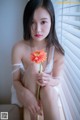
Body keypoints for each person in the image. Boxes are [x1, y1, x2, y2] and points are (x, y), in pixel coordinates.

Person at [11, 0, 65, 120]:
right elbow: (15, 81)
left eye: (43, 22)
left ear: (52, 21)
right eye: (32, 22)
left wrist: (50, 80)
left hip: (46, 92)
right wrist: (26, 94)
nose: (38, 29)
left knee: (48, 91)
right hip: (24, 90)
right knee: (34, 66)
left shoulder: (57, 52)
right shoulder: (18, 48)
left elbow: (57, 80)